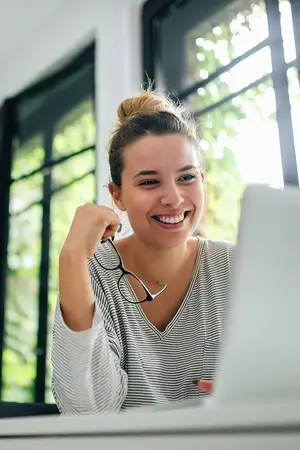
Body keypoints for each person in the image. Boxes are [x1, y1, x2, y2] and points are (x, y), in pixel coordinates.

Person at [51, 90, 234, 415]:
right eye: (150, 182)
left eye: (187, 177)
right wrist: (71, 258)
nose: (174, 199)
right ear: (117, 196)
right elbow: (86, 414)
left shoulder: (236, 267)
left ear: (202, 181)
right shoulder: (92, 273)